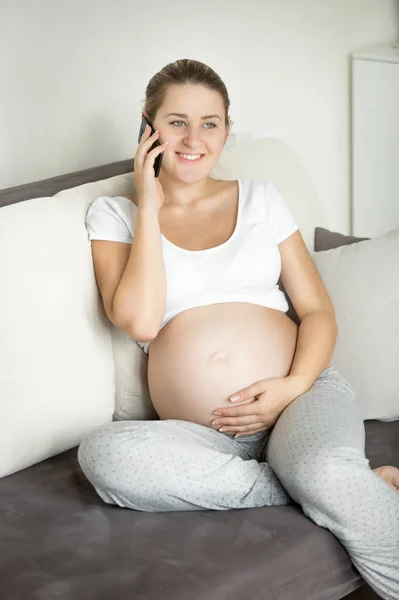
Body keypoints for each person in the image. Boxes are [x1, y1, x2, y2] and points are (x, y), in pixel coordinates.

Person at [78, 59, 399, 599]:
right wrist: (151, 207)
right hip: (205, 439)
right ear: (148, 125)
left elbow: (318, 312)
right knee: (105, 456)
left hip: (300, 398)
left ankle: (323, 478)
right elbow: (138, 319)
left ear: (227, 130)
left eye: (210, 123)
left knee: (320, 468)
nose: (193, 138)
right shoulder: (115, 215)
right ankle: (334, 483)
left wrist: (292, 387)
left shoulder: (260, 199)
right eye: (176, 121)